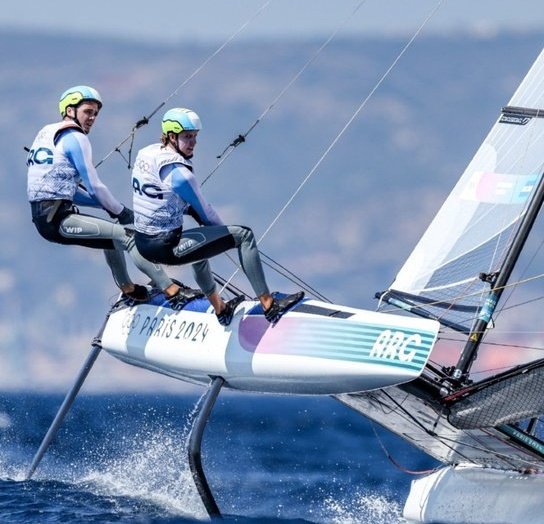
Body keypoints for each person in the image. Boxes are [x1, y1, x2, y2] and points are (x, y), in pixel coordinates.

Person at [26, 85, 202, 306]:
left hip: (47, 217)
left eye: (95, 114)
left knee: (108, 237)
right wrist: (122, 211)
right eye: (88, 111)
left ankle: (128, 288)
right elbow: (94, 187)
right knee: (129, 236)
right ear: (70, 110)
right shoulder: (75, 137)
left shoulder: (47, 133)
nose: (92, 118)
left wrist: (110, 208)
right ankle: (173, 292)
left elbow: (64, 191)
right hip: (56, 219)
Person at [131, 107, 304, 326]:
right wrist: (224, 237)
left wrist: (200, 224)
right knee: (243, 235)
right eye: (187, 137)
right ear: (171, 136)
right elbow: (206, 213)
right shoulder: (181, 176)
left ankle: (221, 308)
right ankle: (270, 305)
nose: (193, 142)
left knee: (198, 248)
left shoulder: (147, 154)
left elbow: (158, 196)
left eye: (195, 136)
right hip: (166, 248)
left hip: (143, 243)